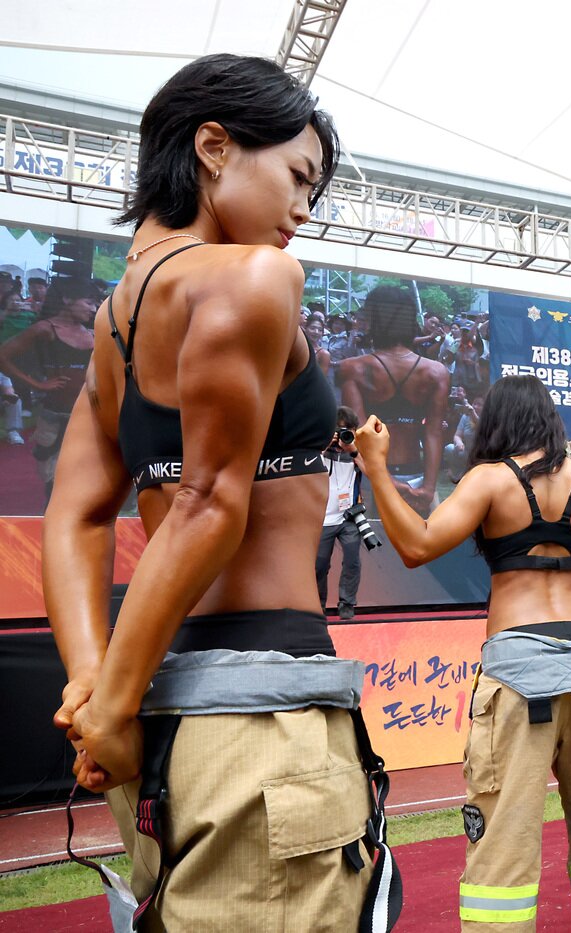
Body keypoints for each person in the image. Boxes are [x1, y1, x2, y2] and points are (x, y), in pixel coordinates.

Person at [41, 55, 397, 931]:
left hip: (164, 722)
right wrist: (110, 705)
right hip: (260, 725)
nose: (303, 210)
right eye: (298, 176)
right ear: (213, 146)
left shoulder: (112, 319)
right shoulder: (254, 277)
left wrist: (96, 688)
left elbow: (78, 514)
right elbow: (207, 502)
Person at [358, 375, 571, 931]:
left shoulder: (489, 481)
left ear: (494, 422)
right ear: (549, 421)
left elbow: (416, 545)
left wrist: (376, 467)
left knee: (504, 838)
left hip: (519, 670)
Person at [339, 284, 450, 518]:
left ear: (374, 319)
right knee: (426, 549)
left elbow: (361, 436)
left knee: (368, 552)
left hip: (370, 479)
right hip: (416, 477)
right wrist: (428, 489)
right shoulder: (436, 372)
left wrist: (388, 483)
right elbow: (433, 434)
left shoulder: (353, 369)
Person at [0, 277, 101, 501]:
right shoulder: (45, 329)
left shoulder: (91, 334)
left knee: (80, 480)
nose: (94, 309)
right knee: (52, 481)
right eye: (89, 302)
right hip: (54, 415)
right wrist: (38, 385)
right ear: (67, 299)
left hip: (85, 416)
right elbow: (3, 356)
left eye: (96, 304)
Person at [317, 406, 366, 621]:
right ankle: (318, 605)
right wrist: (324, 446)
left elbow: (372, 472)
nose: (343, 435)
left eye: (349, 430)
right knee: (319, 564)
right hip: (323, 517)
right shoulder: (318, 449)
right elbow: (307, 467)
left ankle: (347, 603)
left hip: (349, 517)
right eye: (339, 431)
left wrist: (353, 450)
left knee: (353, 560)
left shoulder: (357, 452)